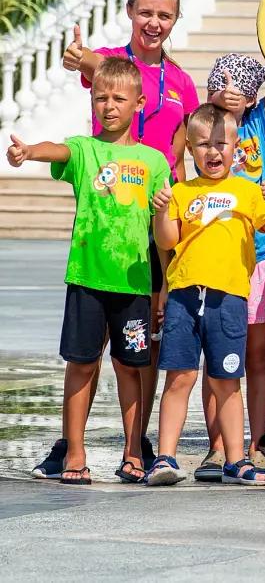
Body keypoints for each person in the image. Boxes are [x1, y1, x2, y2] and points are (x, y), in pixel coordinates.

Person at [38, 0, 199, 479]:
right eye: (145, 12)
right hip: (108, 214)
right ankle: (71, 446)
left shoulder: (181, 83)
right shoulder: (111, 63)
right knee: (88, 350)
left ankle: (138, 442)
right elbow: (95, 67)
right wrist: (78, 58)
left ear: (175, 19)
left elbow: (181, 154)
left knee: (143, 343)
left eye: (164, 15)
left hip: (155, 213)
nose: (154, 22)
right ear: (129, 11)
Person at [7, 58, 170, 484]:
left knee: (130, 367)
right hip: (86, 280)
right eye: (101, 98)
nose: (109, 106)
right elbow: (57, 150)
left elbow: (164, 234)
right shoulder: (84, 150)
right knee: (81, 364)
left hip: (134, 284)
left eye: (118, 98)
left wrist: (165, 285)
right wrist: (29, 151)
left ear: (139, 103)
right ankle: (74, 452)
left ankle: (133, 451)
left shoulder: (154, 162)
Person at [144, 104, 265, 486]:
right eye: (203, 145)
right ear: (190, 149)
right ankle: (165, 457)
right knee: (179, 377)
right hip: (184, 297)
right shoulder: (181, 192)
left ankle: (236, 458)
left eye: (221, 144)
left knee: (227, 380)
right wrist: (161, 212)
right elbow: (168, 240)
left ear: (235, 147)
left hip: (228, 300)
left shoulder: (247, 191)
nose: (213, 152)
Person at [192, 0, 265, 477]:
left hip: (258, 256)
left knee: (256, 354)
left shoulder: (258, 124)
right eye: (222, 84)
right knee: (216, 355)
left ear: (252, 97)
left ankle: (254, 444)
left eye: (239, 86)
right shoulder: (204, 130)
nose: (230, 92)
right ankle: (217, 445)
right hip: (214, 256)